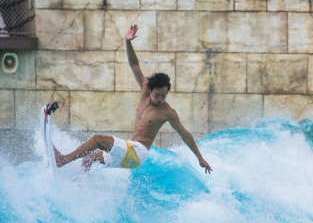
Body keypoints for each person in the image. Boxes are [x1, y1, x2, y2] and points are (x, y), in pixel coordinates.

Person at [53, 24, 212, 173]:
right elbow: (134, 65)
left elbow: (185, 135)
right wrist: (127, 42)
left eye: (164, 95)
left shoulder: (167, 112)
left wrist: (200, 158)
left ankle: (63, 160)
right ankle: (80, 184)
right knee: (89, 158)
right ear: (150, 90)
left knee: (97, 140)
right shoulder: (144, 88)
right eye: (157, 94)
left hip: (138, 153)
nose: (160, 98)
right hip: (129, 152)